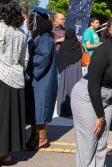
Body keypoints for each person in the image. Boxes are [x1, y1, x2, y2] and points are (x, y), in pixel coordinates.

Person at [71, 16, 112, 167]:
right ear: (109, 30)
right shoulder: (103, 50)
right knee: (88, 144)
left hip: (105, 97)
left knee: (101, 144)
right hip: (88, 96)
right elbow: (93, 84)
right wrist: (100, 115)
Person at [0, 0, 29, 165]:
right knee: (11, 118)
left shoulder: (1, 27)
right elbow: (25, 58)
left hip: (1, 75)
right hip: (17, 77)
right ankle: (6, 154)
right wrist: (19, 69)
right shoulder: (21, 32)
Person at [25, 13, 58, 150]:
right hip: (36, 80)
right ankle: (34, 136)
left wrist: (25, 63)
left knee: (41, 109)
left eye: (31, 21)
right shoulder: (37, 37)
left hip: (43, 80)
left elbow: (42, 60)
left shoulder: (45, 39)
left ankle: (42, 138)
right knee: (34, 109)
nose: (29, 23)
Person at [56, 28, 82, 117]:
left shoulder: (64, 45)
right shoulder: (77, 44)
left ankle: (63, 109)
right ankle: (73, 109)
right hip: (75, 70)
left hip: (65, 70)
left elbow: (59, 58)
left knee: (64, 88)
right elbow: (79, 56)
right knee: (74, 89)